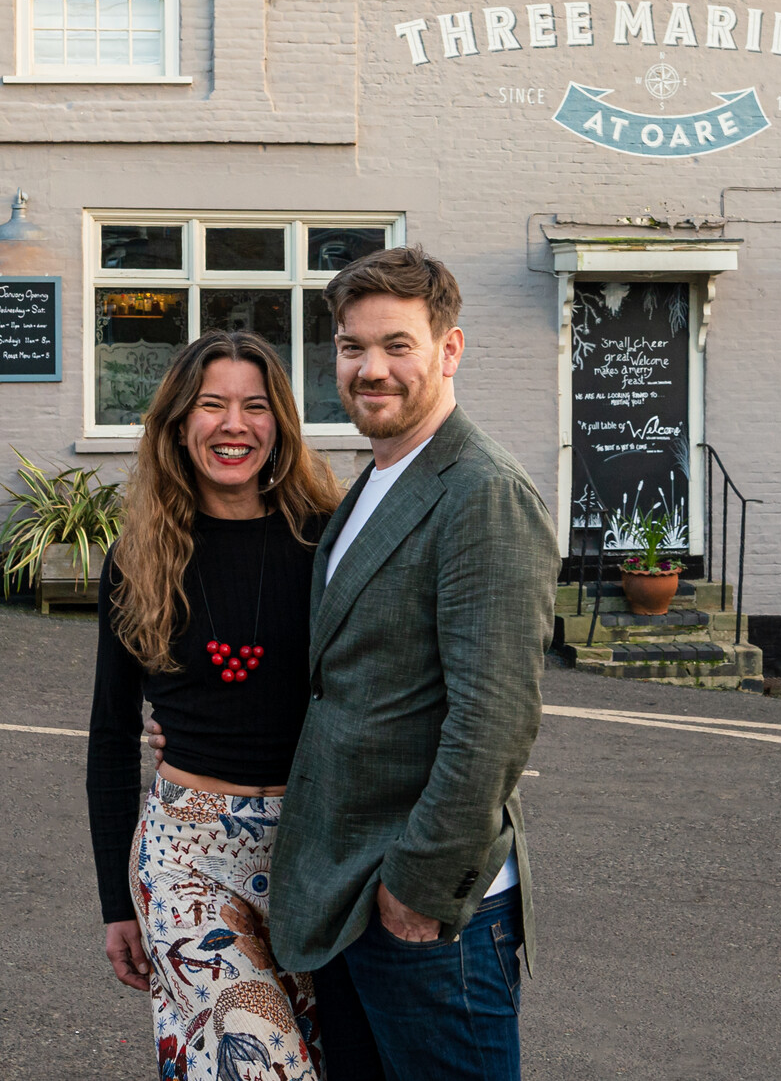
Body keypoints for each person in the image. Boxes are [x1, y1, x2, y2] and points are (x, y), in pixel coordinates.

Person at [271, 246, 560, 1081]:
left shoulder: (482, 493)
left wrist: (420, 892)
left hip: (427, 916)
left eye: (397, 345)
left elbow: (495, 721)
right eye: (352, 347)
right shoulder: (375, 482)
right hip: (350, 901)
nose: (371, 369)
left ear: (449, 349)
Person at [85, 330, 354, 1081]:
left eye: (255, 406)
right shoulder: (140, 553)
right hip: (188, 859)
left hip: (310, 852)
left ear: (281, 425)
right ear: (178, 423)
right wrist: (116, 903)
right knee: (263, 1065)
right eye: (212, 405)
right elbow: (110, 738)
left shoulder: (327, 541)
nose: (234, 424)